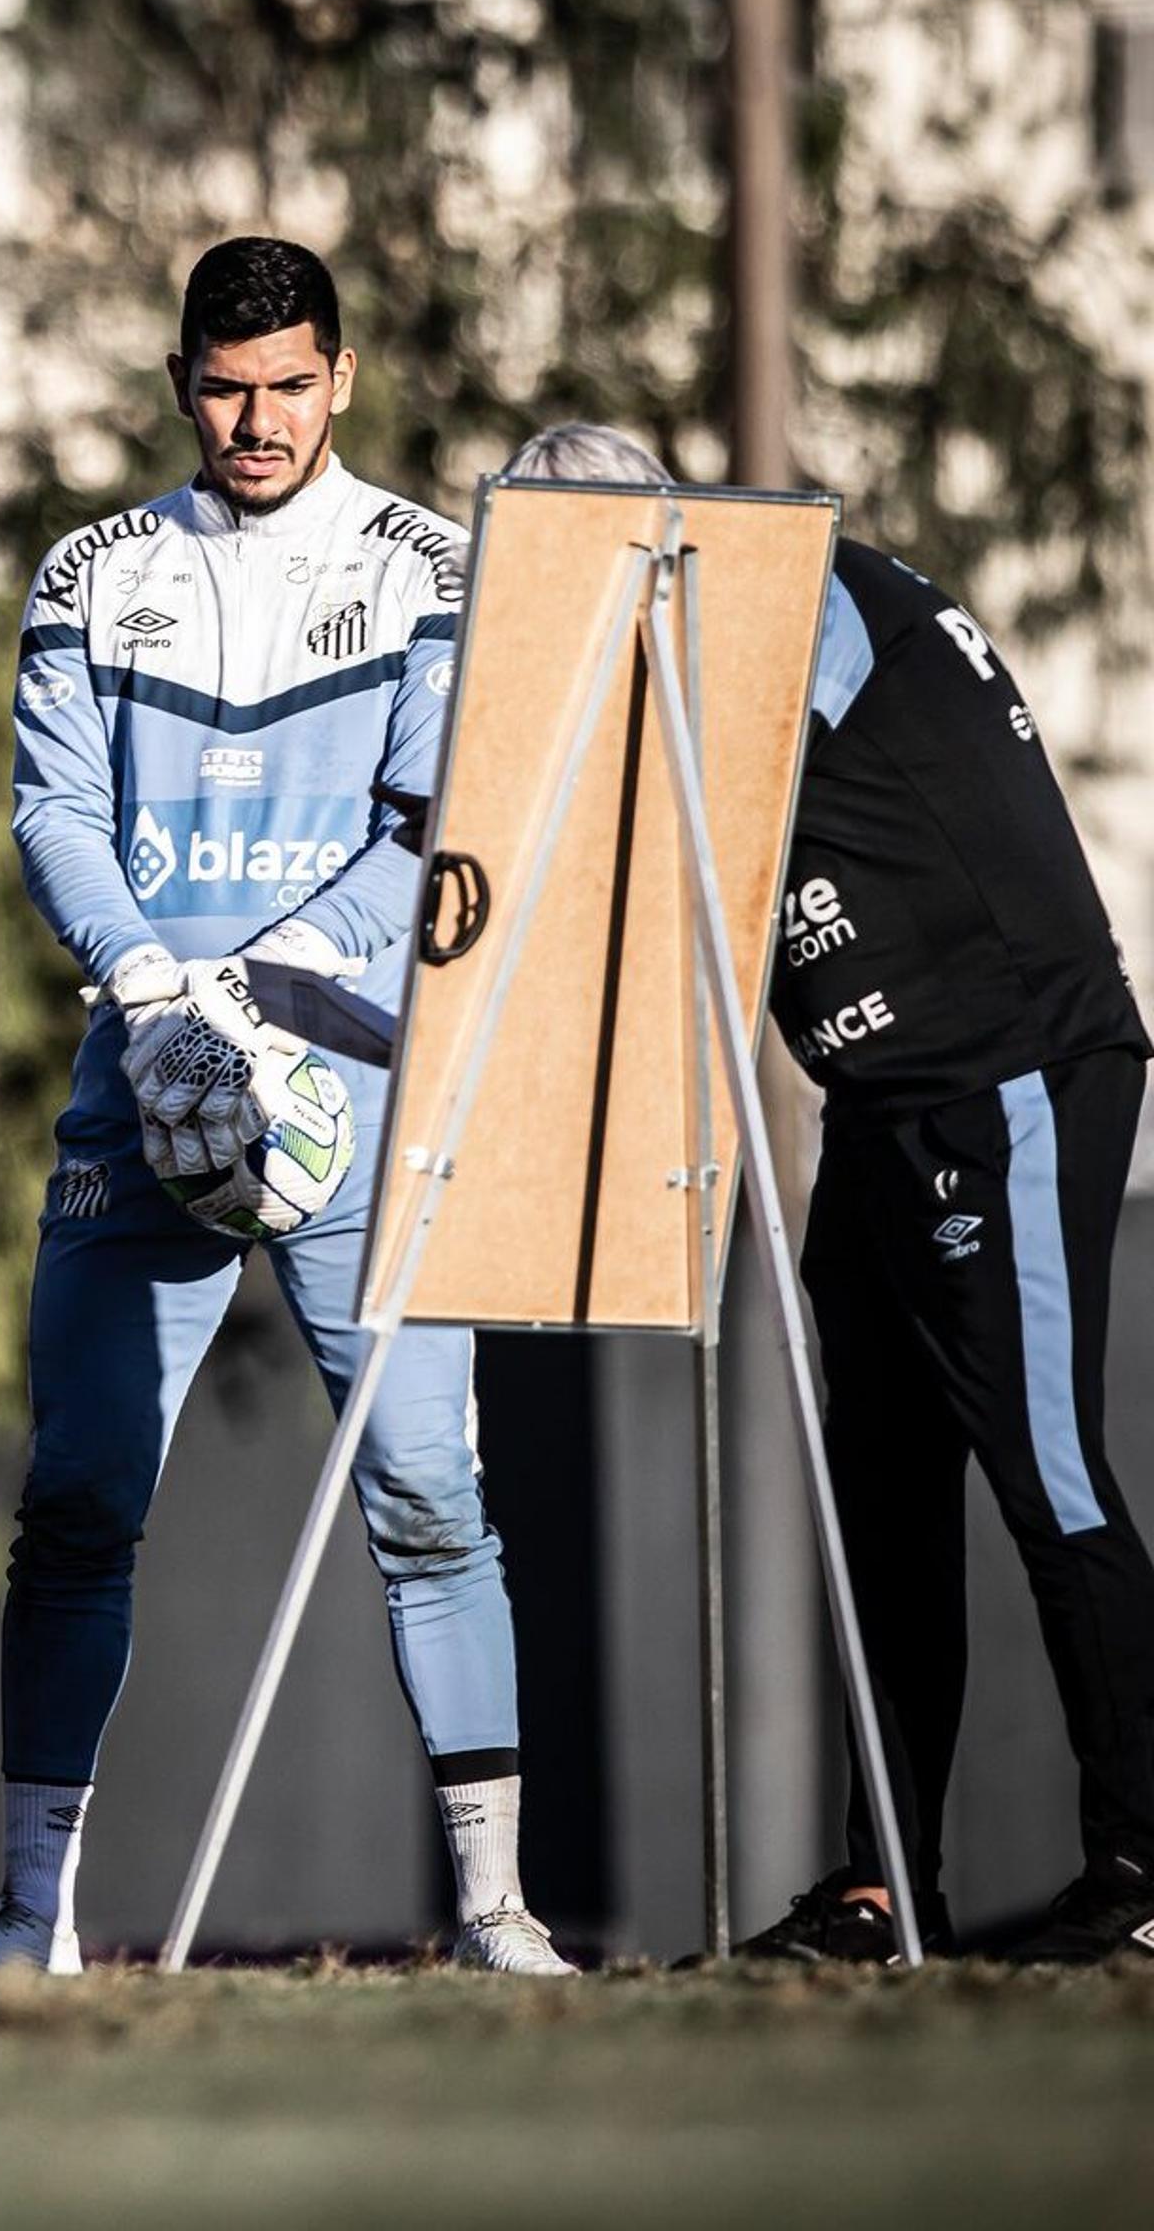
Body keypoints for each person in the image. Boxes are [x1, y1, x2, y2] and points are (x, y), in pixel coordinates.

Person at [0, 235, 565, 1976]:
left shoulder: (430, 562)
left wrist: (261, 984)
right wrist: (151, 987)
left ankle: (498, 1912)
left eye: (289, 383)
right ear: (179, 382)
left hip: (354, 1092)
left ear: (342, 377)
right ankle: (28, 1912)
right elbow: (53, 812)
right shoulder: (95, 567)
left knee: (430, 1491)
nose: (256, 417)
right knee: (79, 1498)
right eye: (223, 385)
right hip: (144, 1095)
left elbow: (424, 827)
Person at [489, 427, 1154, 1966]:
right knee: (884, 1505)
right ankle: (889, 1885)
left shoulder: (793, 591)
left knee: (1049, 1474)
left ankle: (1141, 1860)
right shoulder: (711, 619)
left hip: (1009, 1075)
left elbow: (688, 799)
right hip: (880, 1104)